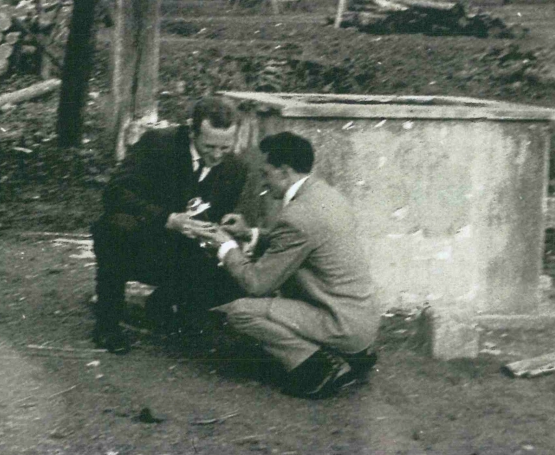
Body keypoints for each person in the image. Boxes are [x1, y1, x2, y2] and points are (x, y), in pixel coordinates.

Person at [188, 131, 383, 399]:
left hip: (339, 323)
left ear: (284, 172)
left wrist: (225, 245)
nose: (263, 182)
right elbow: (299, 242)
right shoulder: (325, 195)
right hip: (359, 319)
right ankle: (352, 354)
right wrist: (250, 233)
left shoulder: (298, 215)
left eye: (266, 173)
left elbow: (256, 283)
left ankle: (318, 367)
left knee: (240, 312)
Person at [89, 96, 251, 353]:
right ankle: (107, 323)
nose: (217, 155)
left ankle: (164, 303)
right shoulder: (158, 144)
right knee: (116, 227)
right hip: (142, 241)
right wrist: (167, 219)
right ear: (191, 132)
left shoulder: (236, 169)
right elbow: (115, 192)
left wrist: (227, 226)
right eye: (210, 146)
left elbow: (217, 215)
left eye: (225, 148)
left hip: (185, 251)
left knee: (239, 280)